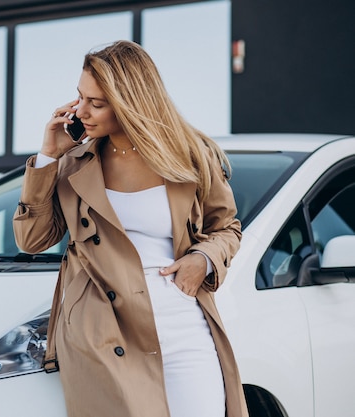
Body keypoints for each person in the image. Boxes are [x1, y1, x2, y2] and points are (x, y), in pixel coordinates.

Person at [13, 40, 248, 417]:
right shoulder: (74, 164)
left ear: (130, 102)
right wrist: (47, 158)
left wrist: (203, 258)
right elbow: (32, 239)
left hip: (183, 321)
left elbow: (227, 228)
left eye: (98, 103)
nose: (81, 111)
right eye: (80, 97)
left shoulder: (191, 155)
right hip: (103, 329)